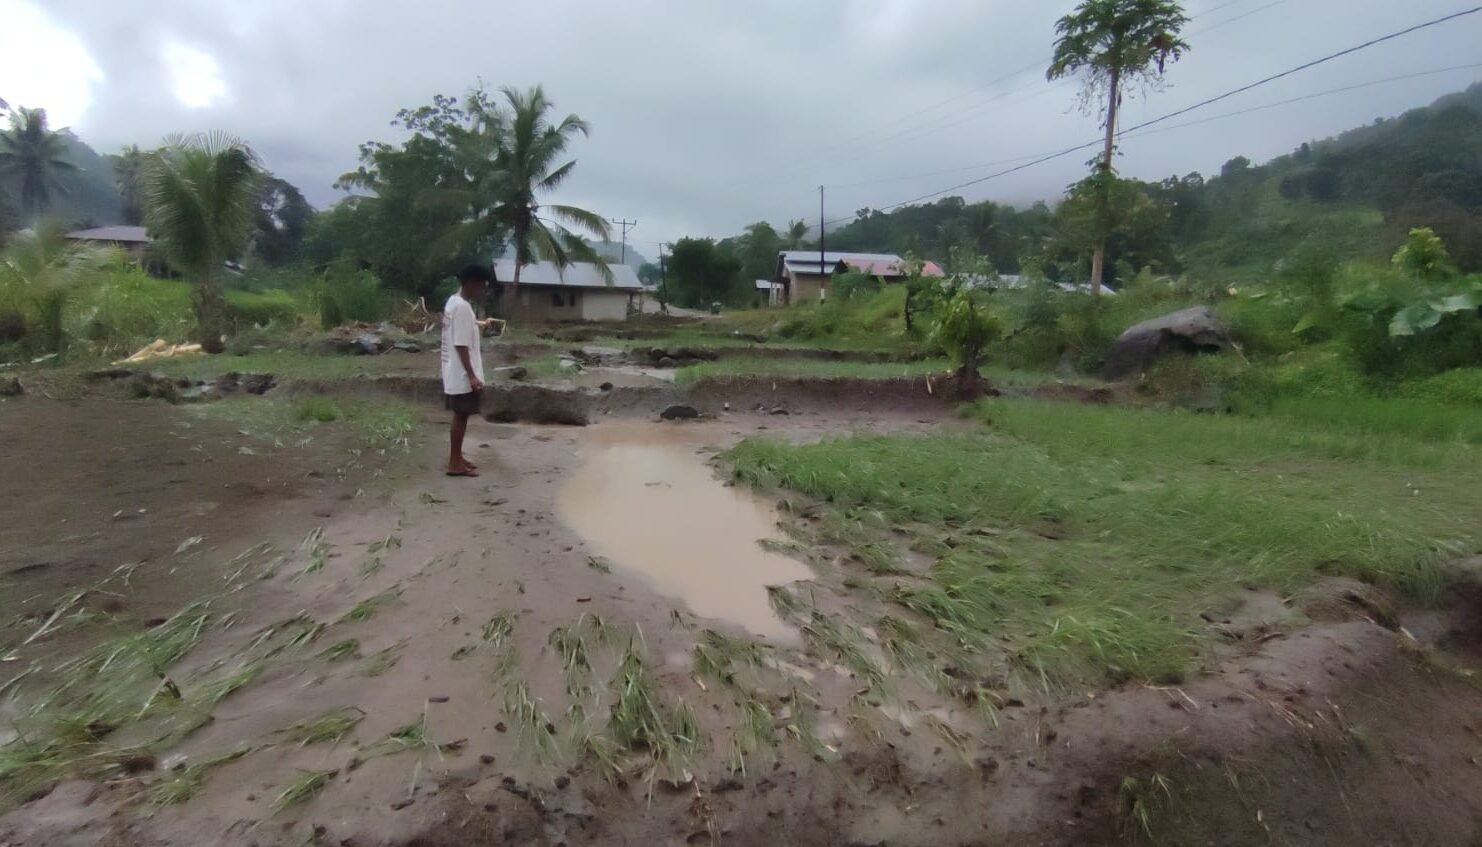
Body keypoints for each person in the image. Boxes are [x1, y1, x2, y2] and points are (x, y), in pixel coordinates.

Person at [441, 264, 493, 477]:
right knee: (461, 416)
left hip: (452, 369)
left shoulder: (453, 303)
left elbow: (460, 331)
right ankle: (454, 463)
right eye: (481, 286)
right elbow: (461, 344)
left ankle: (457, 457)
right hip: (462, 373)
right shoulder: (463, 308)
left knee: (460, 415)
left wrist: (477, 324)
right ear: (472, 283)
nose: (482, 291)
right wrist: (472, 375)